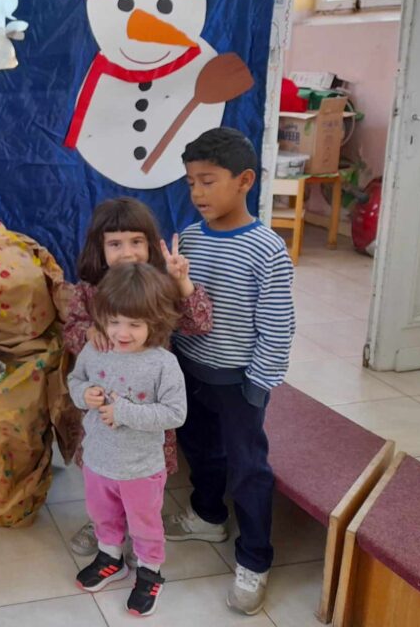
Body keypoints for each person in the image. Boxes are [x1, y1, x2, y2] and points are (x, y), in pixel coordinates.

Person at [166, 127, 295, 616]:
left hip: (239, 381)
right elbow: (181, 306)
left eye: (208, 181)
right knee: (200, 449)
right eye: (191, 183)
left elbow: (278, 326)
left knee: (248, 468)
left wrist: (258, 385)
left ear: (244, 181)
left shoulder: (266, 248)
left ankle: (255, 558)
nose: (197, 193)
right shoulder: (190, 238)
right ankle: (208, 515)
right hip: (190, 370)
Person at [63, 198, 212, 556]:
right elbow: (69, 332)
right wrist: (87, 332)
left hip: (147, 403)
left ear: (150, 244)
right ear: (100, 248)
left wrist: (182, 281)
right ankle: (103, 524)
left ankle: (141, 525)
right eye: (115, 243)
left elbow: (199, 323)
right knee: (100, 470)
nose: (127, 252)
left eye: (136, 241)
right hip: (102, 407)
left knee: (144, 477)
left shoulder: (159, 286)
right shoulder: (87, 290)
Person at [68, 263, 187, 617]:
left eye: (134, 324)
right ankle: (110, 558)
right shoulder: (95, 350)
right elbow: (75, 381)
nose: (122, 332)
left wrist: (124, 412)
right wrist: (83, 394)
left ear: (155, 321)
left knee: (145, 524)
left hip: (140, 469)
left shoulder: (163, 364)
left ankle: (149, 572)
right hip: (98, 461)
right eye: (114, 321)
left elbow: (175, 414)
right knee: (102, 514)